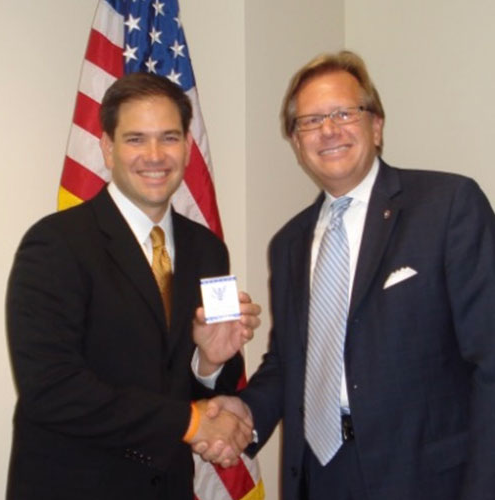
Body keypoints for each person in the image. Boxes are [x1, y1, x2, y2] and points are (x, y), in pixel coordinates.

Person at [204, 50, 495, 499]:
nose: (329, 130)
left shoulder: (448, 204)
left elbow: (489, 360)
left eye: (344, 113)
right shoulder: (288, 244)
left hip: (427, 478)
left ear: (376, 126)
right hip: (320, 476)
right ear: (297, 142)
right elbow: (289, 362)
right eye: (311, 121)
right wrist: (242, 410)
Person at [5, 72, 260, 500]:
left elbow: (189, 382)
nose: (155, 155)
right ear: (107, 147)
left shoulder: (208, 249)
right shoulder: (56, 244)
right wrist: (192, 423)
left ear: (186, 145)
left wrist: (209, 363)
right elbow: (52, 389)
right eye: (136, 139)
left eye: (169, 137)